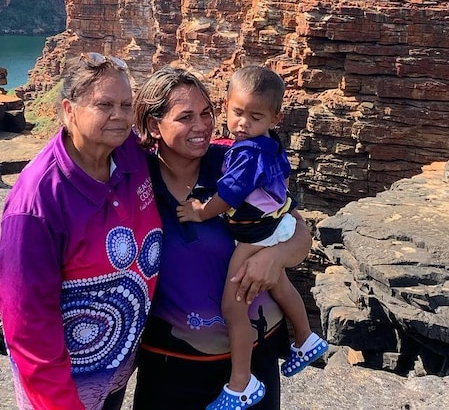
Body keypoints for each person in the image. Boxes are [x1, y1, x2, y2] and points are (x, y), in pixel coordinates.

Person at [131, 67, 314, 410]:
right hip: (172, 366)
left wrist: (273, 259)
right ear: (155, 126)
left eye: (206, 113)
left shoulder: (235, 162)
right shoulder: (137, 180)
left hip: (256, 361)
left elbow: (299, 233)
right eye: (185, 117)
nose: (201, 126)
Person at [0, 52, 162, 410]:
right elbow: (28, 326)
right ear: (69, 110)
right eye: (104, 104)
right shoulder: (37, 203)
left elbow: (187, 154)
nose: (119, 115)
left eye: (125, 104)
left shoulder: (128, 152)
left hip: (116, 370)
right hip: (62, 389)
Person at [176, 66, 328, 409]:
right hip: (273, 224)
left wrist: (199, 212)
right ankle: (305, 338)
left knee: (233, 307)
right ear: (227, 105)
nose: (243, 123)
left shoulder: (246, 155)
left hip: (257, 234)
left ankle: (241, 381)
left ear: (275, 117)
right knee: (279, 284)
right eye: (237, 113)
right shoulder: (265, 144)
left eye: (254, 117)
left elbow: (228, 196)